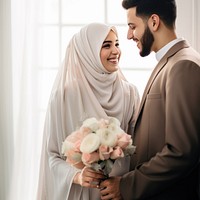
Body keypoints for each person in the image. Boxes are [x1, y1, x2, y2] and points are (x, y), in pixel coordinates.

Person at [99, 0, 200, 199]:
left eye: (132, 26)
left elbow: (182, 152)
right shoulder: (172, 61)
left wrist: (126, 185)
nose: (129, 36)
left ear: (154, 22)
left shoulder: (182, 65)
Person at [36, 22, 140, 200]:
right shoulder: (63, 96)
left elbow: (138, 150)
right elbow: (52, 156)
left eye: (117, 44)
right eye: (106, 45)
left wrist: (123, 184)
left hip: (117, 193)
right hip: (80, 194)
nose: (116, 51)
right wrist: (76, 176)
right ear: (88, 52)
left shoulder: (129, 93)